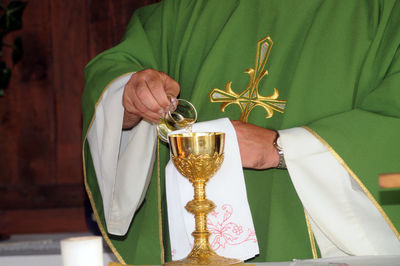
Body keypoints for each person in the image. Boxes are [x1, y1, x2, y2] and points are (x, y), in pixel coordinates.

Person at [82, 0, 400, 265]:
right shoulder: (185, 10)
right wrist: (130, 98)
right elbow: (116, 72)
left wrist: (284, 148)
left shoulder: (384, 11)